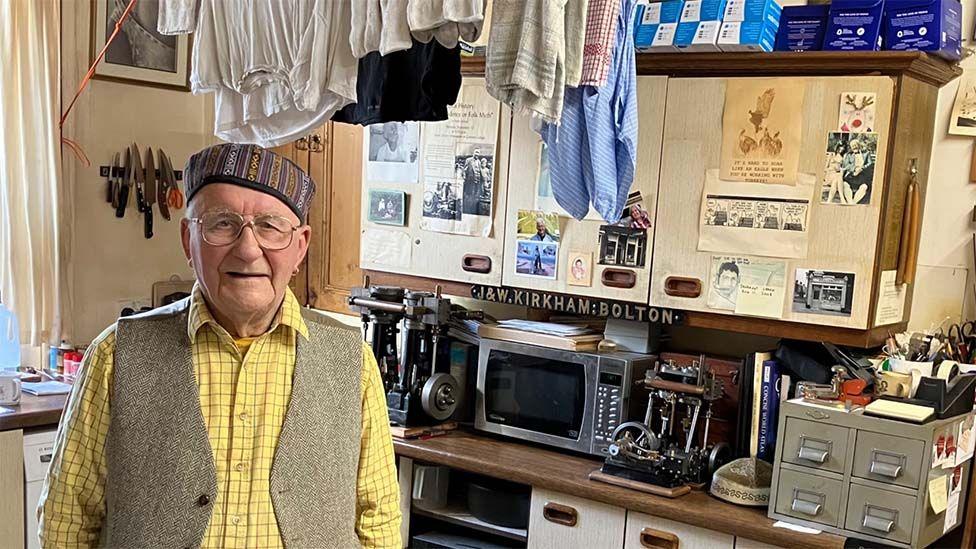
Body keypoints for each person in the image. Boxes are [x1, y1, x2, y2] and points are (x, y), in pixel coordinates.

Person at [38, 144, 401, 548]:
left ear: (300, 246)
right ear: (187, 239)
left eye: (271, 226)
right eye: (222, 224)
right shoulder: (116, 357)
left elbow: (378, 519)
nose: (248, 250)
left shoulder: (351, 363)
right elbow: (67, 517)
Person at [842, 138, 872, 204]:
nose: (854, 147)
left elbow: (870, 164)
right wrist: (854, 170)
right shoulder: (848, 155)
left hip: (862, 177)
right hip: (851, 177)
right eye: (852, 146)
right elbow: (846, 165)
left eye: (855, 145)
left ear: (859, 145)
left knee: (864, 187)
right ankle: (850, 202)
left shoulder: (866, 153)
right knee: (845, 185)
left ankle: (853, 203)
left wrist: (861, 169)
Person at [461, 149, 485, 214]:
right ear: (473, 153)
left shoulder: (479, 162)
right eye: (476, 152)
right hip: (470, 181)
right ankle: (467, 209)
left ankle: (473, 208)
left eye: (478, 153)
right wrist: (464, 177)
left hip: (477, 181)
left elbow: (479, 171)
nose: (477, 154)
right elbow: (464, 170)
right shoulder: (468, 160)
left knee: (475, 195)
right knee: (469, 194)